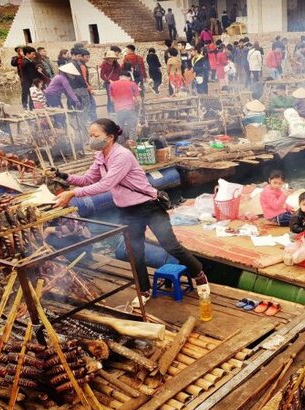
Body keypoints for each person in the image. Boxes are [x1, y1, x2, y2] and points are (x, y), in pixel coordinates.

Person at [53, 118, 210, 305]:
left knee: (170, 245)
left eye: (95, 136)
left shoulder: (122, 156)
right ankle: (144, 290)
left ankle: (199, 274)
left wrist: (72, 193)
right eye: (90, 136)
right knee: (135, 251)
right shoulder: (100, 157)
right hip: (128, 211)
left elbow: (106, 184)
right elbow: (88, 179)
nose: (91, 139)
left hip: (149, 206)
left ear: (110, 137)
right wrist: (64, 176)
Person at [44, 62, 82, 126]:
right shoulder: (63, 79)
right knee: (58, 111)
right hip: (52, 95)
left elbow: (67, 92)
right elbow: (70, 91)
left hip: (51, 95)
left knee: (59, 110)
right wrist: (77, 102)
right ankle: (60, 126)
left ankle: (60, 125)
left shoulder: (59, 76)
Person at [110, 66, 141, 141]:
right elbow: (138, 99)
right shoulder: (132, 84)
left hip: (119, 110)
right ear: (129, 77)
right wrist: (135, 104)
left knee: (119, 129)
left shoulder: (112, 85)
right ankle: (132, 145)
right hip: (130, 109)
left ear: (120, 77)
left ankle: (121, 145)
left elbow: (112, 100)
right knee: (132, 129)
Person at [100, 50, 121, 114]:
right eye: (111, 57)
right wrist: (108, 80)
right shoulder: (104, 64)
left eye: (113, 57)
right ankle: (110, 111)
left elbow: (119, 72)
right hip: (109, 83)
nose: (112, 59)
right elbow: (102, 75)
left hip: (117, 82)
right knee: (110, 98)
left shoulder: (116, 64)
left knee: (117, 97)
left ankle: (116, 110)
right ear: (108, 58)